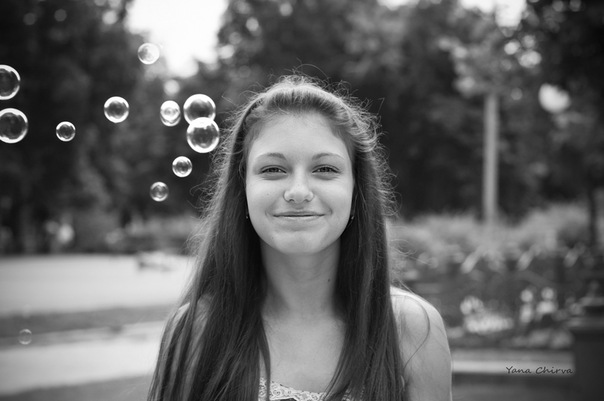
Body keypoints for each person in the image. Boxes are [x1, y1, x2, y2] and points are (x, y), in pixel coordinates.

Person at [148, 75, 452, 401]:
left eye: (324, 169)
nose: (298, 192)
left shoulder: (412, 330)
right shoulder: (197, 330)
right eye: (273, 170)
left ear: (356, 191)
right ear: (243, 190)